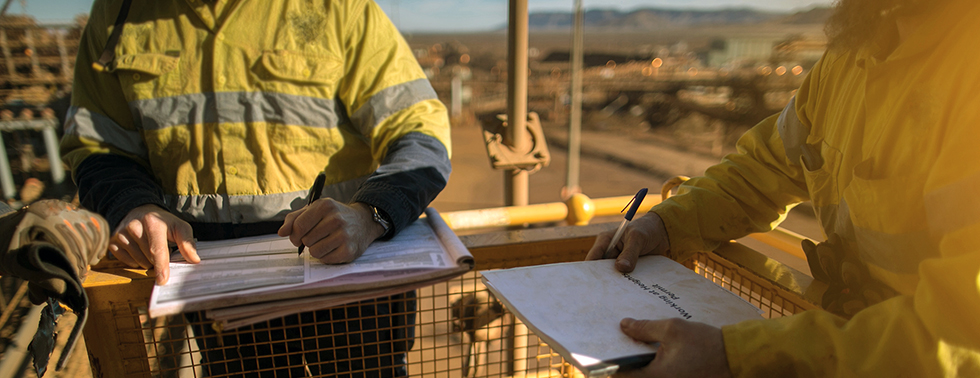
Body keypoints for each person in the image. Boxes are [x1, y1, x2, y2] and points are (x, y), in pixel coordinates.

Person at [587, 0, 980, 376]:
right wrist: (666, 225)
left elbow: (961, 335)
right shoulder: (851, 58)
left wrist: (738, 359)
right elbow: (765, 169)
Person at [61, 0, 452, 376]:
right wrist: (132, 205)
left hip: (348, 282)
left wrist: (370, 214)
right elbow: (98, 145)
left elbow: (420, 133)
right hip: (220, 296)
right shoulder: (119, 12)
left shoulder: (338, 7)